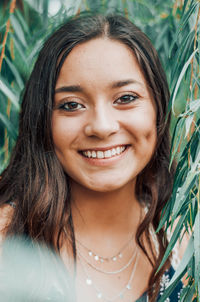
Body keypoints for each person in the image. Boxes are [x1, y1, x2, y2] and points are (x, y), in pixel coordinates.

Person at [0, 13, 184, 302]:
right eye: (71, 105)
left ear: (158, 108)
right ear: (42, 120)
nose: (101, 126)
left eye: (125, 98)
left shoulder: (183, 237)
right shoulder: (6, 240)